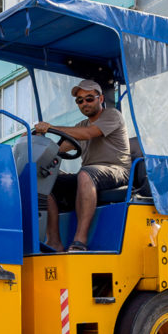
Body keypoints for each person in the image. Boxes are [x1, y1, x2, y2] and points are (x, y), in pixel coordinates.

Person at [33, 78, 130, 252]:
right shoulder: (81, 125)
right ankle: (54, 241)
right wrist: (37, 142)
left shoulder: (112, 115)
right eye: (80, 100)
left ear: (100, 99)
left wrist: (50, 127)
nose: (84, 103)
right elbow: (60, 148)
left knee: (85, 174)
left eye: (89, 98)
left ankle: (80, 240)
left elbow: (87, 134)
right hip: (91, 174)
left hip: (118, 170)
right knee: (46, 181)